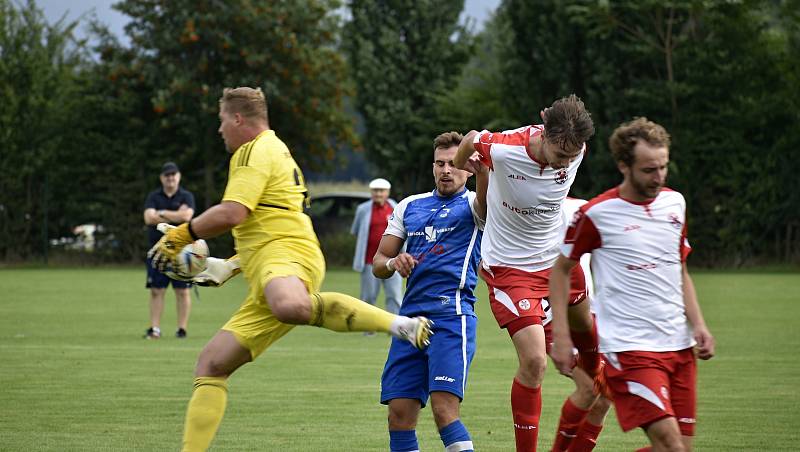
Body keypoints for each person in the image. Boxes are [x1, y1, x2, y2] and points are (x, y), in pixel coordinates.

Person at [147, 86, 433, 452]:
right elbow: (265, 220)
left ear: (237, 118)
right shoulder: (272, 149)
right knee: (211, 364)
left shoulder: (255, 150)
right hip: (273, 258)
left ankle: (401, 325)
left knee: (290, 305)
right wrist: (230, 266)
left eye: (221, 121)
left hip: (287, 252)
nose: (219, 130)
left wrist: (181, 236)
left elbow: (235, 213)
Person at [549, 117, 715, 452]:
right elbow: (561, 270)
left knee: (678, 449)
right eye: (649, 170)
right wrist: (563, 337)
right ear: (624, 166)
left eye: (663, 168)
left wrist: (698, 324)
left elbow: (679, 269)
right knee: (670, 445)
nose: (659, 177)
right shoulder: (597, 214)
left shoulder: (675, 204)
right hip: (630, 348)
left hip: (679, 346)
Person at [454, 94, 598, 451]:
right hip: (510, 268)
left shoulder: (576, 149)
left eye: (570, 156)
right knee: (534, 361)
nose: (563, 162)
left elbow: (567, 153)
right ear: (543, 129)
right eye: (559, 154)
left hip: (558, 264)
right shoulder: (503, 148)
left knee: (594, 360)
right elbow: (471, 138)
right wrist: (466, 167)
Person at [372, 132, 488, 452]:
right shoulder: (410, 206)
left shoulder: (473, 205)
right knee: (399, 415)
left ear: (467, 169)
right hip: (409, 322)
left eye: (454, 164)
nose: (446, 170)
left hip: (451, 317)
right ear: (432, 166)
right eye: (440, 163)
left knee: (444, 411)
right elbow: (378, 263)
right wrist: (395, 262)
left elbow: (487, 203)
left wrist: (485, 174)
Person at [545, 197, 612, 452]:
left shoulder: (585, 208)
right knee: (589, 387)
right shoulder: (523, 205)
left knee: (603, 399)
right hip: (554, 315)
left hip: (592, 315)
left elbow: (604, 257)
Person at [142, 162, 196, 339]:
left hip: (182, 252)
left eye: (173, 175)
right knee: (157, 290)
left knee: (182, 291)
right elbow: (149, 218)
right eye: (167, 175)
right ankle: (155, 328)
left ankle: (182, 329)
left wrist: (161, 213)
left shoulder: (186, 196)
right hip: (158, 251)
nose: (170, 178)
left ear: (179, 176)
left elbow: (187, 216)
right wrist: (174, 214)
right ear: (161, 178)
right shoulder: (153, 196)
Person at [351, 178, 403, 315]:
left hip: (393, 261)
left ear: (388, 192)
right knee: (368, 297)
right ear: (371, 192)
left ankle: (395, 327)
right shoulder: (362, 210)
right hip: (369, 261)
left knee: (394, 297)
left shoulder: (396, 208)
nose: (378, 194)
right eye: (375, 191)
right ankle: (368, 329)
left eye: (382, 191)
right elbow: (356, 231)